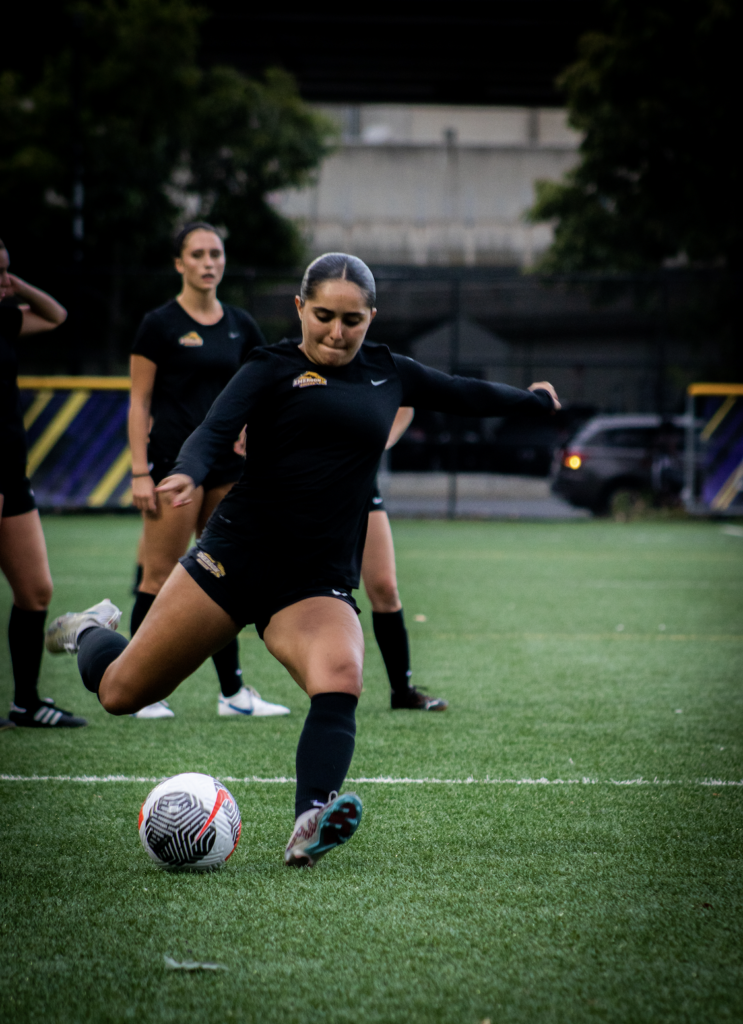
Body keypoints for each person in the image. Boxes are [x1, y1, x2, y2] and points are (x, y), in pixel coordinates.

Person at [45, 252, 559, 868]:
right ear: (300, 308)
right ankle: (90, 632)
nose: (336, 333)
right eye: (323, 316)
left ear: (372, 317)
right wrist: (186, 472)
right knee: (120, 693)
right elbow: (213, 429)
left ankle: (309, 820)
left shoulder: (388, 371)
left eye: (352, 320)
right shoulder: (270, 367)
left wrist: (531, 401)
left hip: (314, 580)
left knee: (340, 676)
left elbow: (463, 393)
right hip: (235, 561)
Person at [127, 220, 289, 720]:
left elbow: (262, 389)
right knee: (158, 575)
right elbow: (139, 402)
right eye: (197, 254)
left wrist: (251, 428)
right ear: (180, 263)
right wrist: (139, 472)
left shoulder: (242, 324)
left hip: (228, 468)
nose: (208, 262)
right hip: (175, 466)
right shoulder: (158, 324)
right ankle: (138, 688)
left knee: (226, 574)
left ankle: (233, 694)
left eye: (215, 253)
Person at [0, 238, 86, 729]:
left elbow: (56, 316)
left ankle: (26, 704)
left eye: (6, 271)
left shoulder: (5, 316)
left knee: (35, 591)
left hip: (13, 471)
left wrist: (16, 285)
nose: (3, 282)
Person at [362, 411, 448, 711]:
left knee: (384, 587)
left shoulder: (376, 365)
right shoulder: (298, 365)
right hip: (304, 483)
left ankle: (402, 691)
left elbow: (407, 402)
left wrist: (382, 438)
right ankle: (233, 689)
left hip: (359, 480)